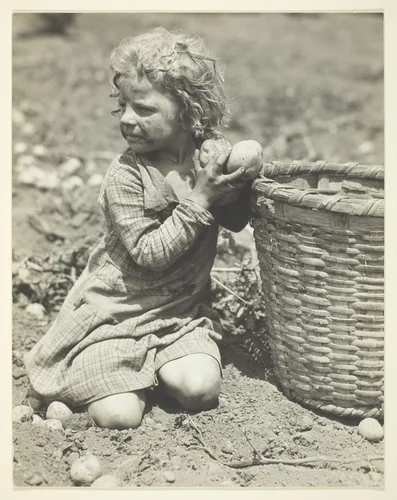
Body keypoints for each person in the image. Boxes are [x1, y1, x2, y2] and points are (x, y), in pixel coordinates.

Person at [25, 27, 255, 430]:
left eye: (144, 109)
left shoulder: (207, 154)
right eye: (124, 106)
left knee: (201, 391)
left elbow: (235, 222)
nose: (128, 120)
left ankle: (148, 372)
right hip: (116, 314)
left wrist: (235, 184)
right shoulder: (126, 175)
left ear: (189, 112)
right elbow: (149, 255)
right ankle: (112, 374)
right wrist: (200, 198)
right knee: (119, 417)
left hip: (178, 314)